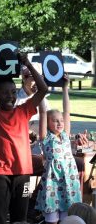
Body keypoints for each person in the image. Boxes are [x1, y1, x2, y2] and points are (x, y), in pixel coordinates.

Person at [0, 52, 48, 224]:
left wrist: (27, 63)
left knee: (20, 218)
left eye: (13, 92)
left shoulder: (24, 111)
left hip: (23, 174)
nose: (10, 96)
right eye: (4, 93)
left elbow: (43, 89)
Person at [35, 75, 82, 224]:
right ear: (48, 124)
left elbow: (67, 112)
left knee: (67, 217)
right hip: (53, 184)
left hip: (69, 181)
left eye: (61, 120)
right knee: (52, 219)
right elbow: (43, 112)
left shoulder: (65, 135)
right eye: (55, 121)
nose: (59, 123)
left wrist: (65, 88)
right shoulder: (46, 137)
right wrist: (41, 93)